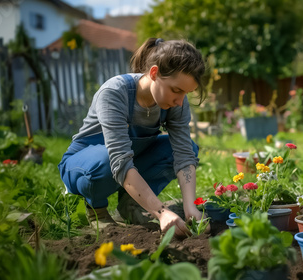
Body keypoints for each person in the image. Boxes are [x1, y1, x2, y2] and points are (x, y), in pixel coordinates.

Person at [58, 38, 208, 237]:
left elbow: (183, 154)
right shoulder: (114, 93)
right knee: (105, 160)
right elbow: (119, 161)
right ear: (154, 73)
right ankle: (97, 211)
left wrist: (191, 210)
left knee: (187, 148)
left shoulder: (175, 102)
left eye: (186, 93)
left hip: (126, 159)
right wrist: (162, 212)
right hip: (83, 165)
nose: (180, 102)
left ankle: (130, 204)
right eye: (176, 90)